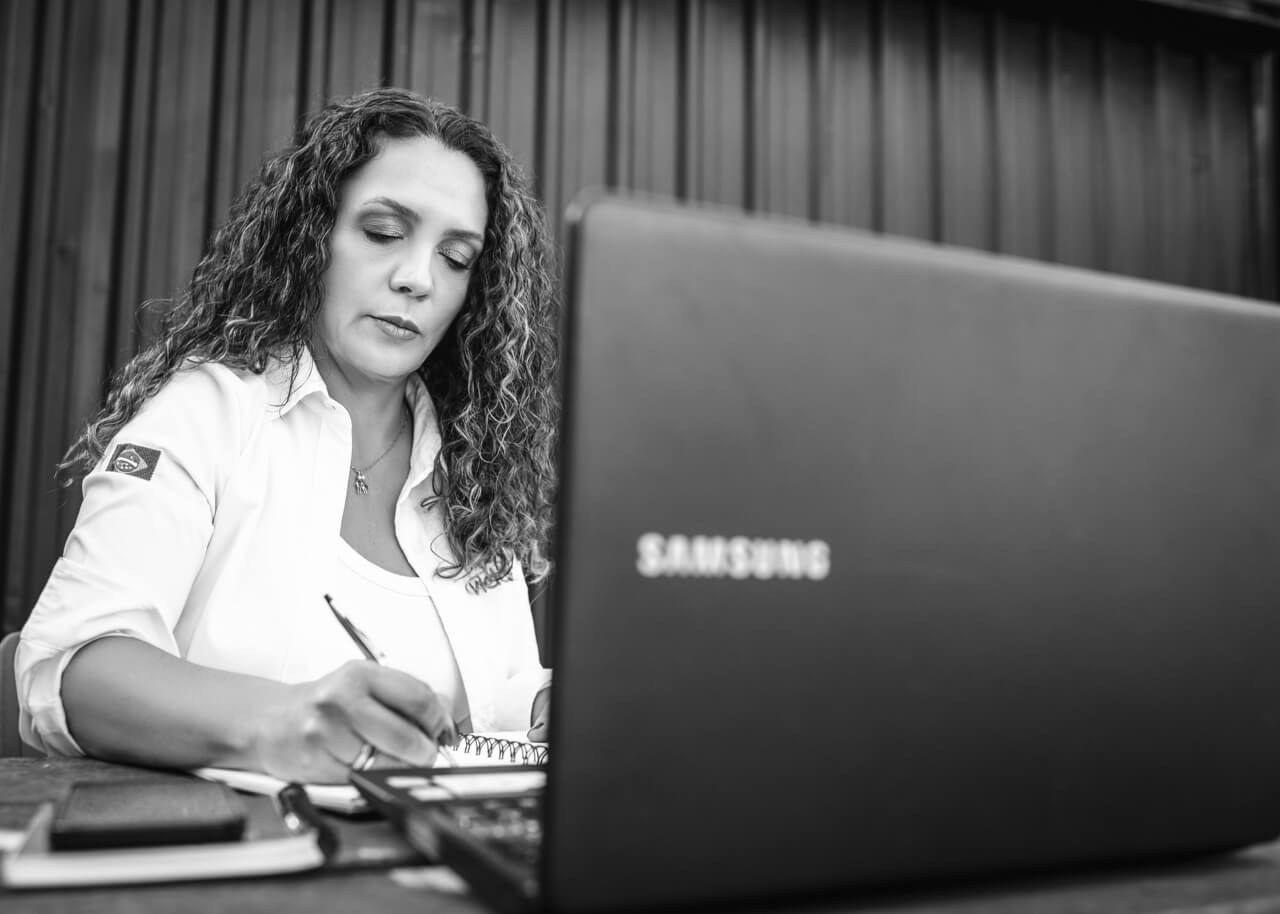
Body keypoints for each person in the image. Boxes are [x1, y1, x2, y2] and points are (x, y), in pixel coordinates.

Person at [16, 88, 558, 784]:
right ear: (312, 237)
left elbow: (487, 699)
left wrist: (541, 705)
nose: (417, 279)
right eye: (383, 232)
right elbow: (73, 669)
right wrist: (285, 720)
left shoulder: (474, 472)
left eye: (456, 258)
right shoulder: (211, 414)